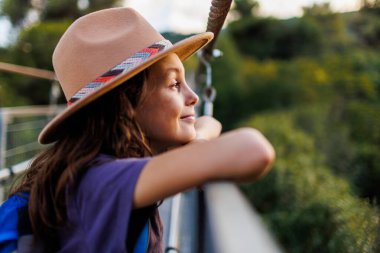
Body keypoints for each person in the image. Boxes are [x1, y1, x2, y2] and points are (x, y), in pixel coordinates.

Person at [0, 7, 275, 253]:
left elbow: (209, 123)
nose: (194, 98)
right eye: (174, 85)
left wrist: (198, 143)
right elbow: (253, 149)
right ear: (127, 104)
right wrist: (199, 150)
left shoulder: (92, 170)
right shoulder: (104, 181)